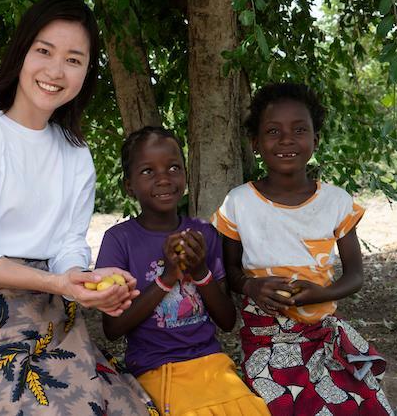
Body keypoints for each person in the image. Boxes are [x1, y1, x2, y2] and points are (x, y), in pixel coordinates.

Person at [0, 0, 156, 416]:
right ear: (21, 52)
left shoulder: (75, 154)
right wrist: (58, 285)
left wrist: (83, 278)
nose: (56, 71)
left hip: (50, 317)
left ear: (85, 72)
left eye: (74, 60)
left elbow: (67, 246)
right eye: (44, 51)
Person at [212, 83, 393, 415]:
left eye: (299, 130)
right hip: (266, 339)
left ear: (315, 140)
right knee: (280, 405)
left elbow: (355, 276)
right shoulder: (239, 203)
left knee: (365, 406)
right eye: (272, 131)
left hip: (322, 332)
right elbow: (231, 273)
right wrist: (251, 285)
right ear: (255, 143)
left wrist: (317, 294)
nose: (286, 139)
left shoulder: (336, 202)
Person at [95, 126, 270, 416]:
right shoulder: (119, 240)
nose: (164, 178)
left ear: (186, 176)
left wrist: (200, 271)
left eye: (174, 167)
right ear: (129, 186)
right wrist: (168, 278)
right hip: (155, 369)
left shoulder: (204, 235)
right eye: (148, 171)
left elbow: (227, 321)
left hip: (212, 365)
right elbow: (112, 329)